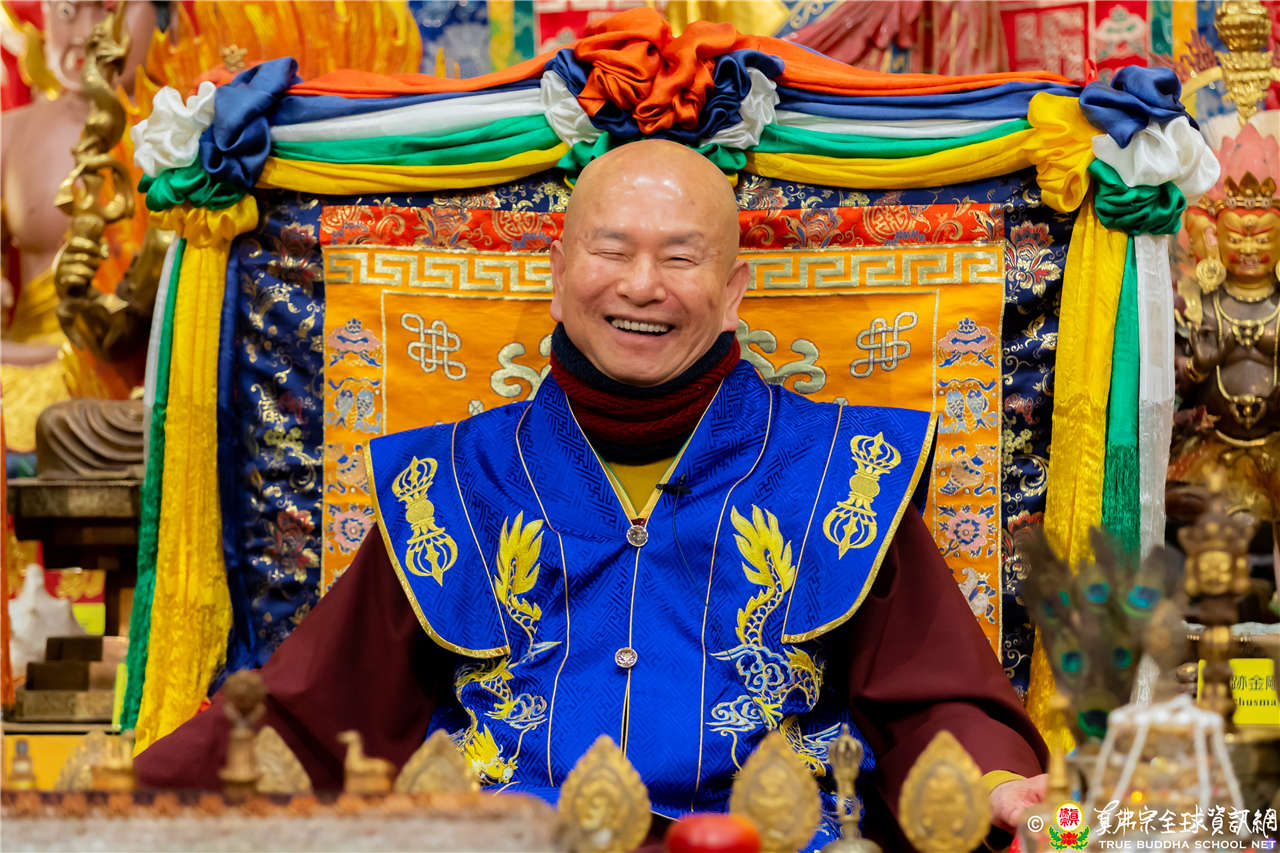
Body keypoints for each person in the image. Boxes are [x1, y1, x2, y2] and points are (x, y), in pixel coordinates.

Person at [137, 140, 1047, 850]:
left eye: (681, 258)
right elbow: (310, 710)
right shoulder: (454, 481)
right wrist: (118, 810)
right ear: (557, 273)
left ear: (733, 291)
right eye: (612, 250)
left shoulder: (842, 470)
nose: (642, 286)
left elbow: (933, 697)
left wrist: (1006, 789)